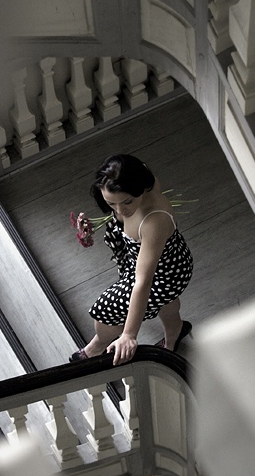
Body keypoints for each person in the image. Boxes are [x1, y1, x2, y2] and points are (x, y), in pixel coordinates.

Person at [69, 154, 194, 366]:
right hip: (150, 255)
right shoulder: (138, 176)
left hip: (165, 273)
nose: (120, 210)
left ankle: (98, 345)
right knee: (165, 302)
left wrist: (129, 334)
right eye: (111, 203)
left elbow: (143, 282)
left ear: (142, 189)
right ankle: (175, 331)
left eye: (127, 202)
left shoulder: (154, 220)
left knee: (106, 310)